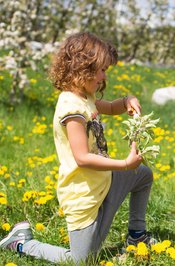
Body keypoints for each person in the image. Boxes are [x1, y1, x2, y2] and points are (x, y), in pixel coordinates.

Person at [0, 32, 156, 264]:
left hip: (104, 182)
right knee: (81, 261)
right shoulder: (71, 108)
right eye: (101, 70)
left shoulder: (85, 98)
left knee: (143, 175)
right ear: (82, 68)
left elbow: (111, 107)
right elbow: (82, 158)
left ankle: (136, 235)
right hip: (83, 195)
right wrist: (124, 164)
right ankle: (23, 242)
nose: (104, 77)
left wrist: (126, 101)